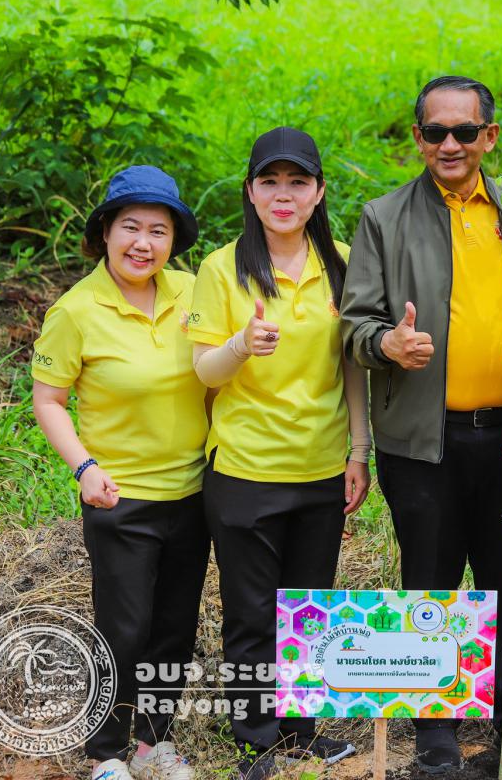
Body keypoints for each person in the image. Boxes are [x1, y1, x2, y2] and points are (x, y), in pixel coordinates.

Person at [340, 75, 502, 775]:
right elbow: (353, 325)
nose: (450, 144)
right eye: (435, 131)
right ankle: (436, 727)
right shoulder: (383, 217)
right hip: (422, 441)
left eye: (464, 131)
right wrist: (388, 344)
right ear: (418, 138)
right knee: (431, 579)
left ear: (488, 137)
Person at [188, 127, 371, 780]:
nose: (283, 195)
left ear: (319, 192)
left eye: (298, 182)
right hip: (245, 470)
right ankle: (256, 741)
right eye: (270, 182)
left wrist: (359, 450)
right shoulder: (221, 268)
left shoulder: (344, 263)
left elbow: (352, 365)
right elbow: (204, 370)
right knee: (251, 615)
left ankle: (301, 734)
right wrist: (240, 345)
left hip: (321, 468)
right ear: (250, 191)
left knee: (309, 612)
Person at [32, 165, 208, 780]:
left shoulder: (194, 292)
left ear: (173, 240)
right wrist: (84, 466)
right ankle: (106, 751)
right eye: (130, 227)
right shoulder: (76, 310)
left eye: (158, 231)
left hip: (194, 492)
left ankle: (154, 744)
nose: (143, 243)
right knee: (124, 630)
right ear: (105, 231)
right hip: (119, 498)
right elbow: (48, 400)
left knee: (174, 628)